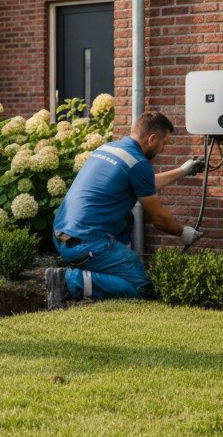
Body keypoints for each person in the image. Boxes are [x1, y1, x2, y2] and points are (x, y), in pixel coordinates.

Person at [45, 111, 204, 309]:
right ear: (152, 138)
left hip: (62, 235)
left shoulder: (109, 148)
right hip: (88, 245)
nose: (163, 148)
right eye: (164, 143)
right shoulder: (139, 163)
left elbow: (145, 183)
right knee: (142, 289)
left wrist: (183, 171)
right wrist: (183, 233)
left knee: (126, 221)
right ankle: (69, 281)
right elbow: (158, 219)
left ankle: (93, 274)